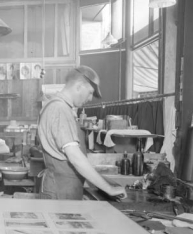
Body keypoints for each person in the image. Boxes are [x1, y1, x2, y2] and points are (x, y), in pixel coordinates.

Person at [37, 65, 127, 200]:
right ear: (78, 86)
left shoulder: (59, 107)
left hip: (64, 188)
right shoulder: (59, 108)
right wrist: (108, 188)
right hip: (60, 192)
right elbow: (75, 157)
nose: (90, 98)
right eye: (90, 92)